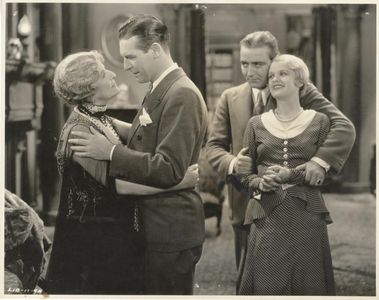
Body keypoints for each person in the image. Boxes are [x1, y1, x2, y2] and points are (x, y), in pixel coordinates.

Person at [68, 15, 208, 295]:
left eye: (131, 57)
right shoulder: (161, 85)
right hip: (155, 225)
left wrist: (109, 151)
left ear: (155, 50)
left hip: (170, 230)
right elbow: (148, 133)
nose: (125, 65)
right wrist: (106, 123)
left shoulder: (181, 94)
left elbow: (168, 169)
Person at [206, 31, 356, 279]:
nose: (249, 71)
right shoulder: (229, 98)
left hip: (294, 205)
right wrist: (233, 163)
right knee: (249, 279)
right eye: (245, 63)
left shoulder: (300, 91)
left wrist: (318, 161)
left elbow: (343, 126)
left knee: (298, 278)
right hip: (244, 202)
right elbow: (213, 147)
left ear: (274, 61)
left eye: (258, 64)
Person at [237, 54, 340, 295]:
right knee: (267, 282)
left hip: (307, 214)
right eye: (271, 75)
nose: (275, 79)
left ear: (300, 81)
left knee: (308, 283)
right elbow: (243, 174)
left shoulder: (320, 122)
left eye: (283, 74)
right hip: (266, 215)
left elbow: (329, 174)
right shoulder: (256, 123)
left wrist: (291, 176)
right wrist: (260, 182)